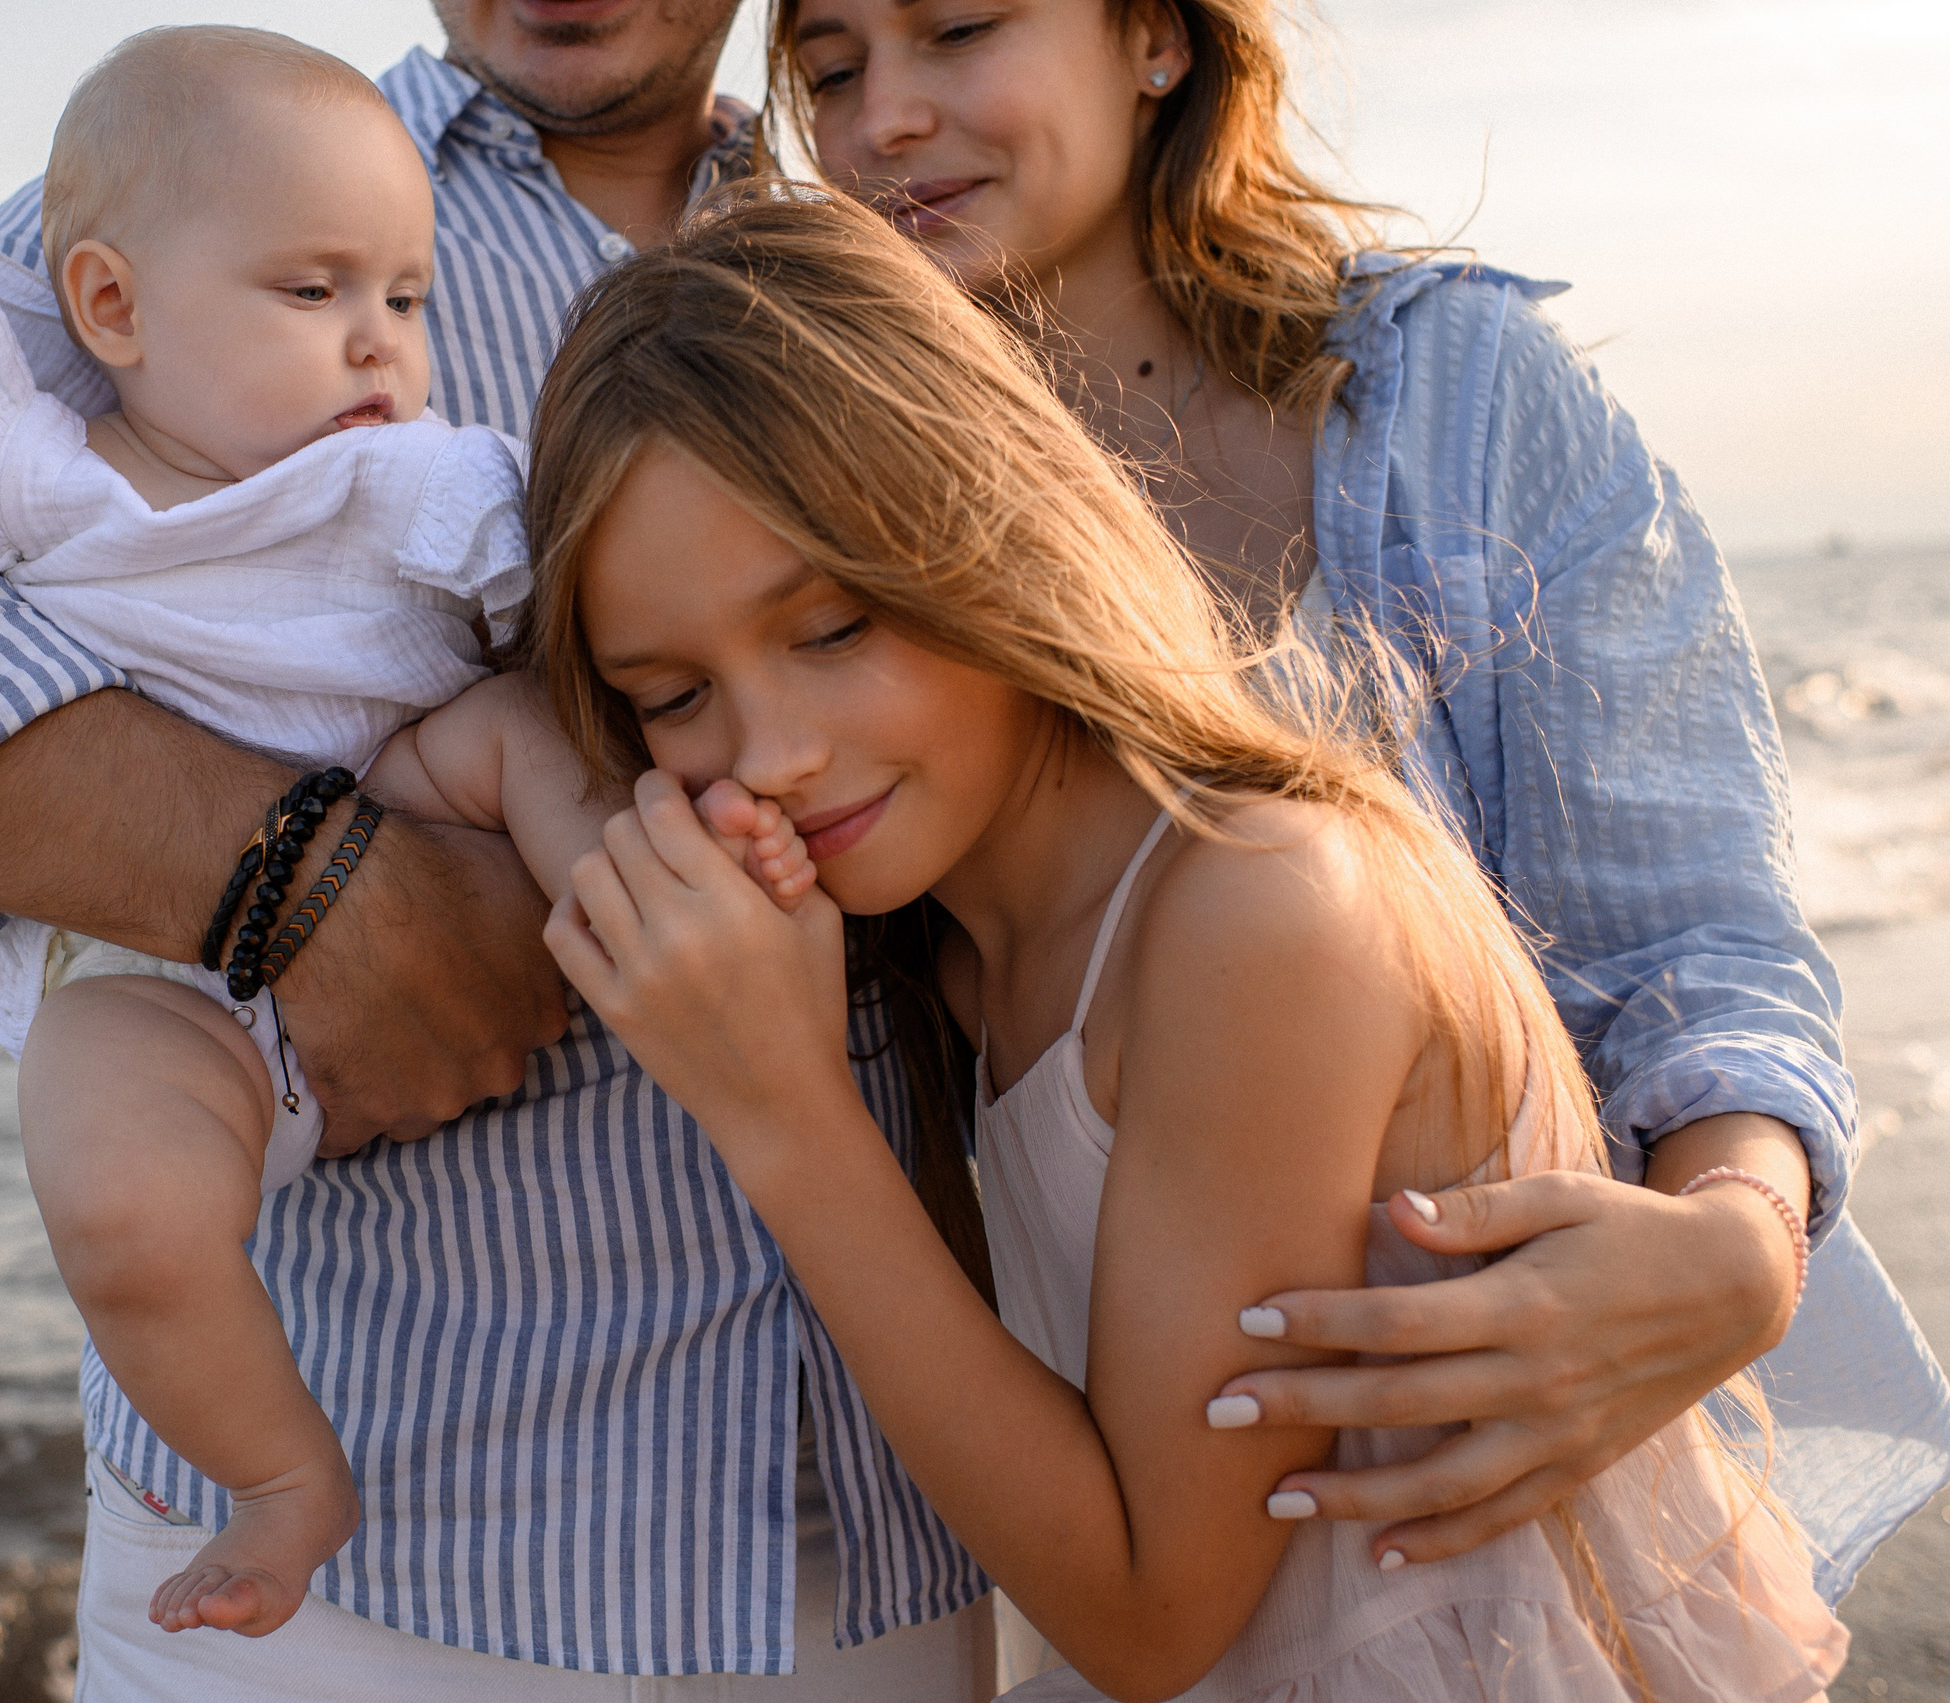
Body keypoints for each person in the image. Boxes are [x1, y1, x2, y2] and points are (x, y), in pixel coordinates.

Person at [0, 2, 1928, 1695]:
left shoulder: (885, 279)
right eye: (665, 693)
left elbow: (1659, 928)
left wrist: (1737, 1231)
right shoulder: (263, 184)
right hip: (408, 1540)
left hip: (909, 1563)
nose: (759, 735)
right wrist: (297, 886)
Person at [531, 184, 1848, 1701]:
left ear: (994, 521)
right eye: (670, 695)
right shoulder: (960, 948)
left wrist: (779, 1111)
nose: (764, 753)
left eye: (832, 630)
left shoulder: (1257, 906)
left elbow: (1154, 1616)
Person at [762, 0, 1950, 1620]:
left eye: (959, 29)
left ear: (1155, 40)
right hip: (1128, 1515)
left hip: (1530, 1511)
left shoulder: (1456, 403)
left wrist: (1741, 1239)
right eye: (830, 72)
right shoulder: (833, 488)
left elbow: (1704, 934)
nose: (883, 117)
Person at [0, 26, 815, 1644]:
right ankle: (285, 1480)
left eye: (406, 305)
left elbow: (589, 649)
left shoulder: (428, 478)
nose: (375, 346)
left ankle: (681, 914)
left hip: (419, 783)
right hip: (152, 976)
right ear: (112, 309)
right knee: (117, 1200)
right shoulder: (43, 455)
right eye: (315, 298)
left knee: (517, 740)